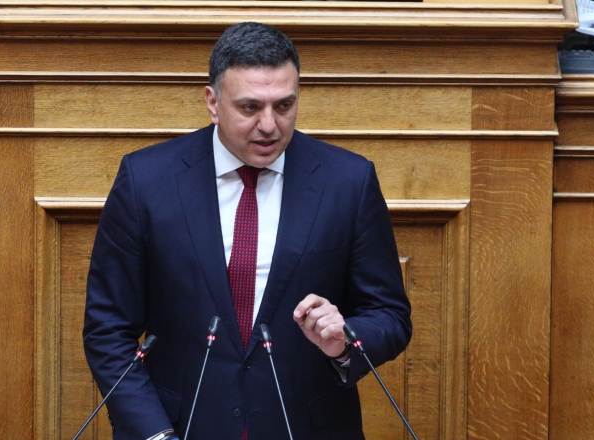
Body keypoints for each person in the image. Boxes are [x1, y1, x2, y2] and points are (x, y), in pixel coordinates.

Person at [83, 22, 412, 440]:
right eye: (250, 107)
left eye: (284, 105)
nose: (269, 125)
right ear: (213, 102)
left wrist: (345, 341)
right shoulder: (146, 180)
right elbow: (108, 328)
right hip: (179, 428)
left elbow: (390, 315)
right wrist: (154, 434)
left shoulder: (348, 181)